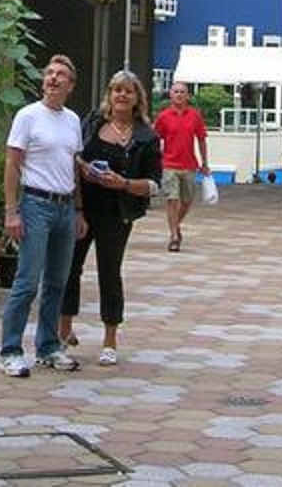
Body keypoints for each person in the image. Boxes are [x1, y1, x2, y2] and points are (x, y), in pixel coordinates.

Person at [58, 69, 162, 366]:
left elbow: (154, 183)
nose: (121, 95)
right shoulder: (91, 122)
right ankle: (64, 330)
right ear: (109, 94)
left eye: (128, 91)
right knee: (70, 266)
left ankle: (110, 339)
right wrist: (84, 167)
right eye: (116, 89)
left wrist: (125, 184)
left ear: (136, 98)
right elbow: (72, 154)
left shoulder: (146, 136)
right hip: (83, 206)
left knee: (109, 271)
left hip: (117, 212)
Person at [0, 53, 87, 378]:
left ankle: (48, 346)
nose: (52, 78)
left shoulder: (73, 121)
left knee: (57, 282)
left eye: (60, 74)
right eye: (49, 73)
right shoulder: (27, 116)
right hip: (34, 204)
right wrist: (12, 211)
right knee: (27, 281)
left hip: (64, 206)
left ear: (70, 85)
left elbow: (73, 167)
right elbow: (12, 163)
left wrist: (78, 209)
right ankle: (10, 350)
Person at [153, 80, 210, 251]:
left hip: (189, 164)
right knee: (172, 199)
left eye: (182, 92)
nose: (179, 95)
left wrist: (204, 162)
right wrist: (156, 160)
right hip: (169, 164)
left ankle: (175, 224)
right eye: (176, 91)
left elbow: (201, 139)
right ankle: (174, 236)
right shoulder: (163, 117)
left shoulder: (195, 116)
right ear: (170, 94)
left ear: (188, 96)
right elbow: (155, 140)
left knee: (187, 200)